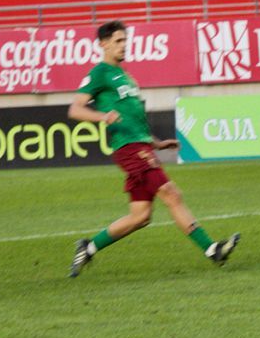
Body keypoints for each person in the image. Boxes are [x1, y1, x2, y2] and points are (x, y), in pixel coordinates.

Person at [68, 21, 241, 277]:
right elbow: (75, 109)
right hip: (127, 147)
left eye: (125, 40)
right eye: (117, 41)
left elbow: (135, 118)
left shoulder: (127, 77)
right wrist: (102, 117)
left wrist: (157, 142)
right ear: (103, 44)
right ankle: (212, 249)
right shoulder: (100, 73)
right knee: (171, 194)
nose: (123, 45)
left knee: (141, 216)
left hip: (140, 144)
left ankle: (88, 247)